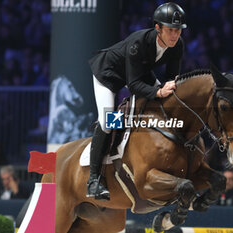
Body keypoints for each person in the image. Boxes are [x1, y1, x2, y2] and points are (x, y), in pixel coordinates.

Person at [87, 2, 187, 200]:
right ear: (157, 28)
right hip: (109, 75)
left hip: (138, 74)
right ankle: (93, 181)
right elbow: (133, 86)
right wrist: (158, 92)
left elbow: (171, 80)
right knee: (108, 121)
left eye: (178, 30)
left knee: (167, 100)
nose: (175, 35)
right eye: (170, 30)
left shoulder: (177, 46)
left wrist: (167, 91)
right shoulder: (138, 43)